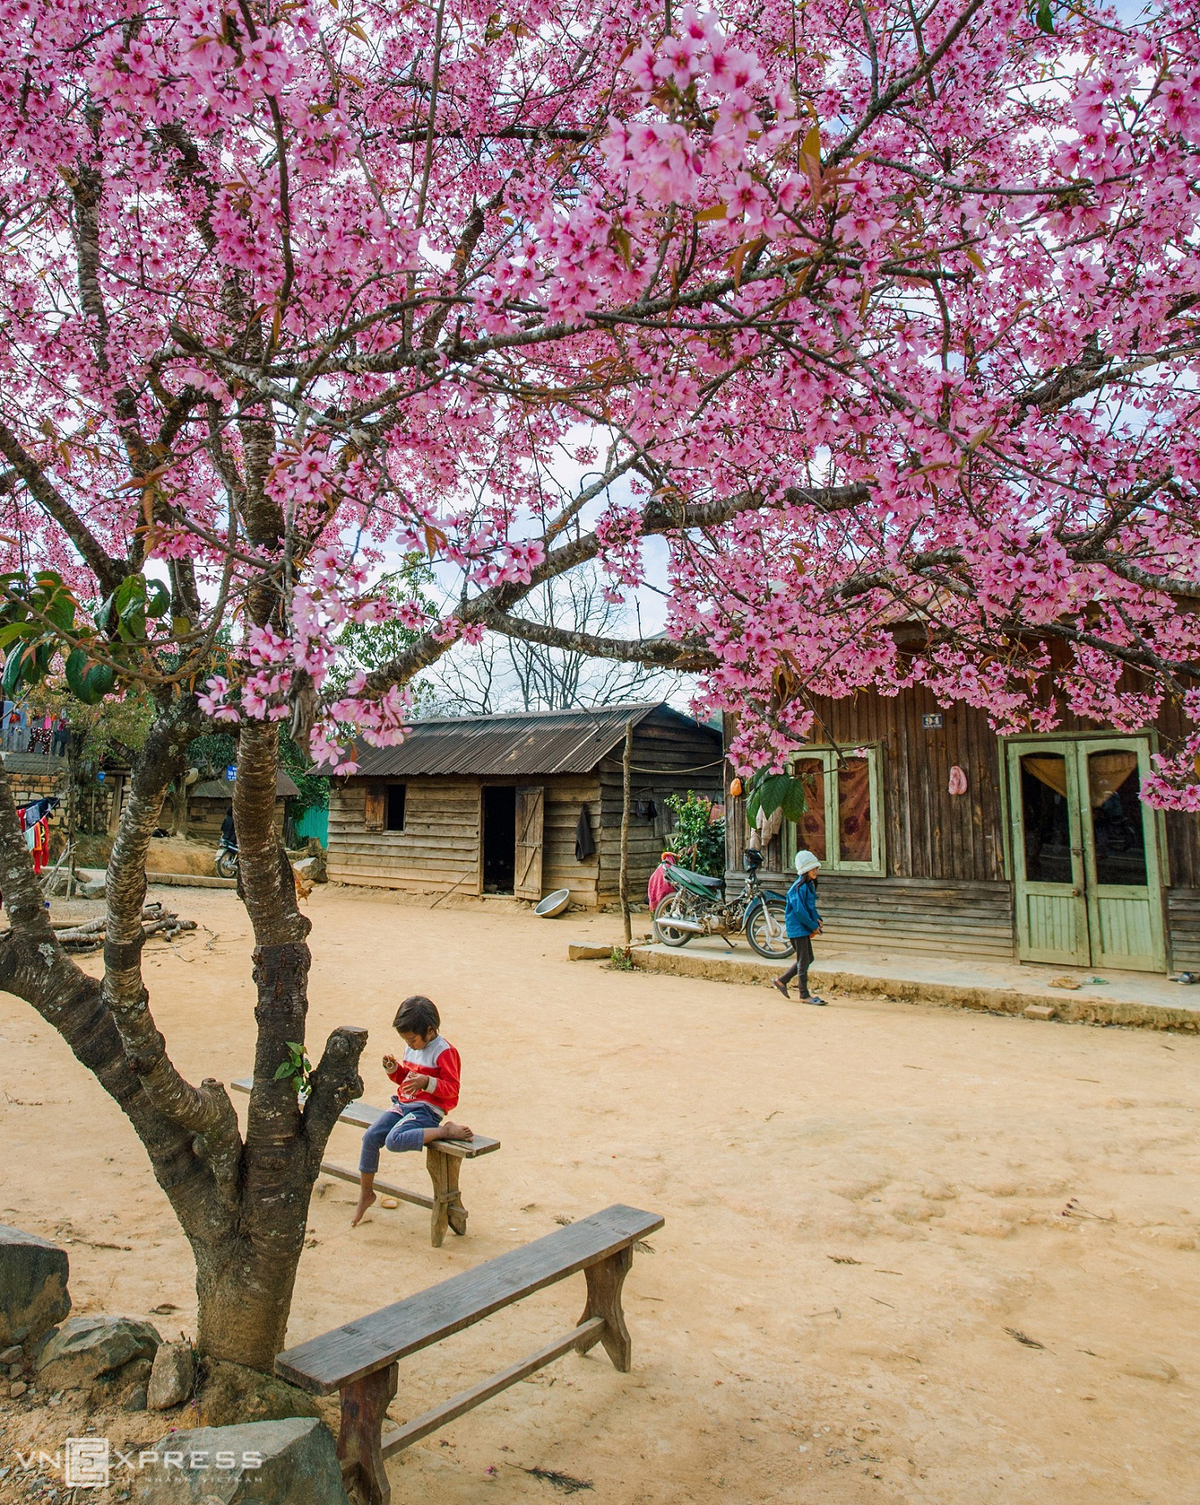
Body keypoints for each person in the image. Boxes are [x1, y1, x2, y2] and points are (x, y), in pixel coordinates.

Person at [352, 995, 472, 1227]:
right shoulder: (414, 1047)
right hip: (404, 1104)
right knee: (370, 1137)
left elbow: (453, 1090)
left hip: (427, 1110)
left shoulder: (445, 1052)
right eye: (406, 1041)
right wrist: (395, 1070)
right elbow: (407, 1080)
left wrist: (427, 1082)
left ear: (429, 1030)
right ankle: (366, 1193)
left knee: (394, 1140)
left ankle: (444, 1131)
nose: (409, 1045)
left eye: (412, 1040)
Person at [774, 849, 826, 1005]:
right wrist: (812, 926)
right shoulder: (798, 888)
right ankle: (803, 994)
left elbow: (810, 907)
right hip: (797, 929)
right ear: (805, 870)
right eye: (813, 869)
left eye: (816, 868)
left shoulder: (808, 885)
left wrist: (817, 920)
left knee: (809, 958)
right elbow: (800, 911)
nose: (815, 871)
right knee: (804, 960)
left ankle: (782, 981)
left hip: (803, 928)